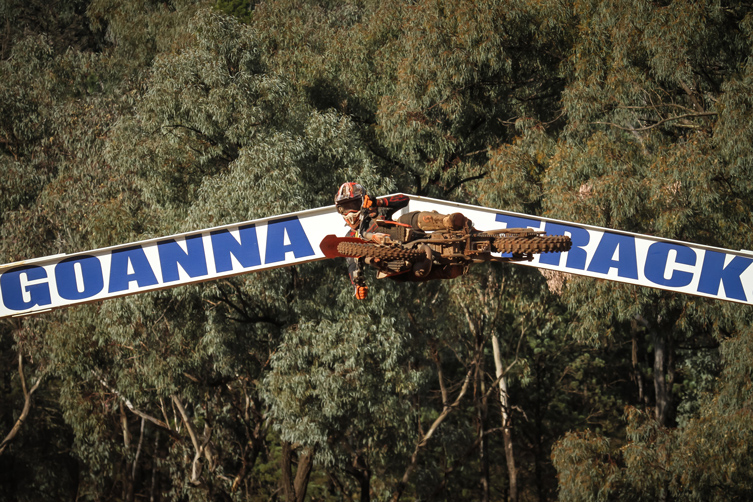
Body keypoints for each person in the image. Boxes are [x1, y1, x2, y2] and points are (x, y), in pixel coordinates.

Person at [334, 182, 469, 300]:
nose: (350, 212)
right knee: (394, 276)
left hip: (407, 234)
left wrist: (378, 202)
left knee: (408, 218)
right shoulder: (350, 238)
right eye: (344, 208)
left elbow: (404, 199)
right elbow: (352, 264)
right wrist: (357, 285)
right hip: (397, 262)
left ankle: (446, 221)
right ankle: (448, 271)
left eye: (354, 205)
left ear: (363, 201)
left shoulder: (375, 211)